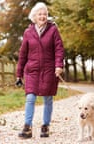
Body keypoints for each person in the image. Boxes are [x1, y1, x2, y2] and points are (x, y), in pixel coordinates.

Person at [15, 2, 64, 139]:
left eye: (45, 14)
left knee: (47, 98)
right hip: (32, 70)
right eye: (40, 14)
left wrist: (59, 65)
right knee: (30, 97)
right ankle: (27, 126)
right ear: (34, 16)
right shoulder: (28, 32)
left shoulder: (53, 30)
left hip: (49, 69)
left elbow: (59, 49)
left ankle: (45, 126)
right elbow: (23, 54)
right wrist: (19, 74)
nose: (43, 16)